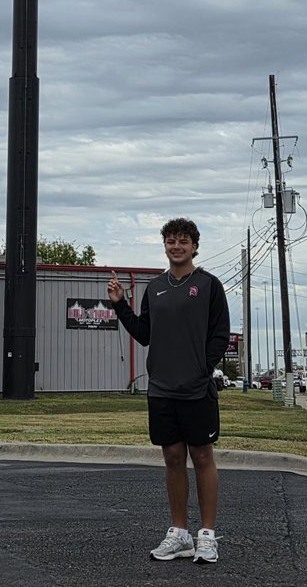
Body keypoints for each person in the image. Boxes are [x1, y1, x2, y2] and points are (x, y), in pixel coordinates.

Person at [107, 218, 230, 564]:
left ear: (194, 246)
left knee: (202, 458)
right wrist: (119, 304)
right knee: (173, 459)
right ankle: (179, 533)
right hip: (161, 389)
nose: (177, 246)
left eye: (183, 241)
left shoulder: (209, 285)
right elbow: (145, 333)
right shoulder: (155, 287)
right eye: (171, 241)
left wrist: (202, 367)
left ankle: (207, 536)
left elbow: (220, 334)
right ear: (165, 246)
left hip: (196, 390)